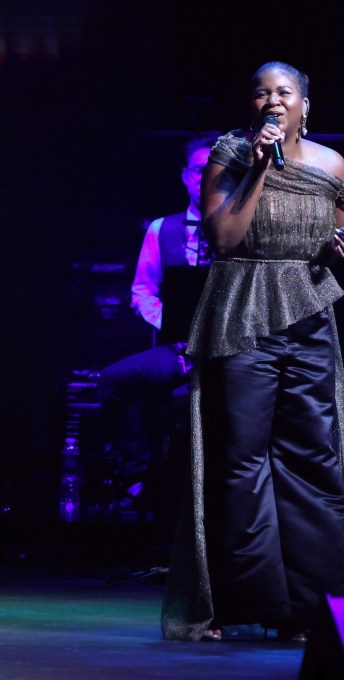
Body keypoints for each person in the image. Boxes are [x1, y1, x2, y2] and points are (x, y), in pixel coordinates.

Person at [161, 61, 344, 642]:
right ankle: (246, 602)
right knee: (241, 459)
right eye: (260, 93)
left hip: (308, 316)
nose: (271, 100)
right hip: (242, 311)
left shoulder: (332, 165)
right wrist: (259, 167)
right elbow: (224, 238)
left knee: (314, 460)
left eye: (284, 92)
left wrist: (337, 249)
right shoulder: (230, 154)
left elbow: (327, 245)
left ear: (305, 104)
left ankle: (311, 609)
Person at [94, 132, 218, 519]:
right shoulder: (162, 229)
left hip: (229, 353)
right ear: (185, 176)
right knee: (112, 382)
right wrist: (173, 327)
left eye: (216, 170)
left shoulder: (244, 229)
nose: (206, 178)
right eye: (199, 170)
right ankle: (139, 475)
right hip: (179, 350)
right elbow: (142, 290)